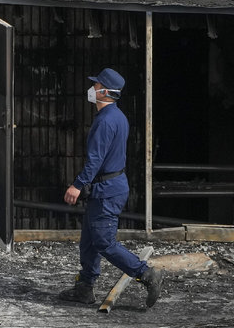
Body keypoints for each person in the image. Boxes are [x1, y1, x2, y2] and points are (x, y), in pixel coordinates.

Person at [59, 67, 164, 308]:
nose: (92, 89)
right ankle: (84, 288)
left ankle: (146, 274)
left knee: (104, 242)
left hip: (106, 190)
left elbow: (95, 160)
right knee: (89, 240)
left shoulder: (105, 122)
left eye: (96, 86)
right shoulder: (118, 117)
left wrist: (77, 185)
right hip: (108, 186)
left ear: (105, 92)